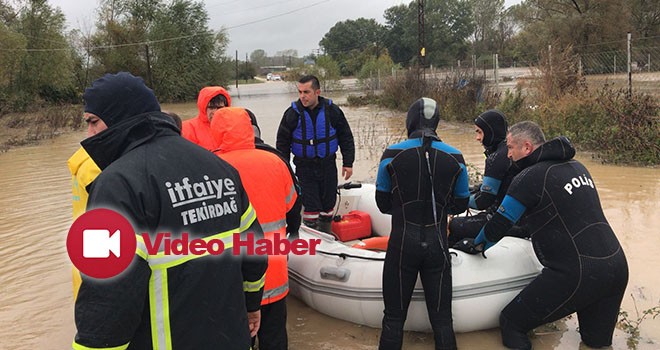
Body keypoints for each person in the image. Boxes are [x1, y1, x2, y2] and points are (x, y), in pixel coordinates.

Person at [73, 72, 267, 350]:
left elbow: (107, 299)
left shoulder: (117, 183)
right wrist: (252, 305)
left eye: (93, 122)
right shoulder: (220, 168)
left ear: (119, 116)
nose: (89, 134)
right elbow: (254, 251)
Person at [466, 121, 629, 349]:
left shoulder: (528, 177)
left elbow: (497, 227)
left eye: (511, 148)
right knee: (596, 344)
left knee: (512, 322)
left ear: (527, 147)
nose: (508, 155)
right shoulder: (578, 167)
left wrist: (474, 245)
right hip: (616, 267)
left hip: (577, 273)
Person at [375, 97, 470, 350]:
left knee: (394, 319)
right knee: (442, 321)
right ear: (436, 121)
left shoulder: (392, 154)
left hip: (402, 243)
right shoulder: (456, 156)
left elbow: (382, 204)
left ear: (410, 120)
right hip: (438, 244)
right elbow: (461, 204)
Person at [211, 107, 299, 350]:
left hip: (235, 279)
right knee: (275, 338)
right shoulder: (276, 162)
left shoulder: (211, 166)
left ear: (216, 131)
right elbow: (293, 214)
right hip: (275, 272)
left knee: (239, 339)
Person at [276, 75, 355, 233]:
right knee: (311, 205)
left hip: (328, 164)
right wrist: (284, 169)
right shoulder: (292, 114)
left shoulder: (332, 111)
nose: (302, 96)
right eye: (300, 92)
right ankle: (312, 236)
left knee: (328, 204)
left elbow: (345, 136)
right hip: (304, 166)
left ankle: (326, 234)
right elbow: (282, 143)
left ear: (317, 92)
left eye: (306, 92)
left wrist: (348, 162)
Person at [448, 110, 521, 246]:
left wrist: (455, 200)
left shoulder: (496, 158)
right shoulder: (509, 150)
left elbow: (483, 201)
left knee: (451, 226)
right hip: (518, 219)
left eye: (479, 132)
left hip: (503, 221)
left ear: (491, 132)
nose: (477, 138)